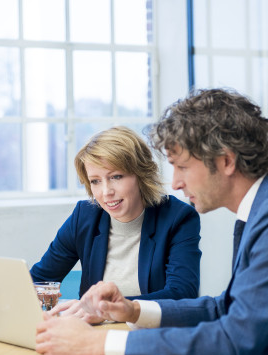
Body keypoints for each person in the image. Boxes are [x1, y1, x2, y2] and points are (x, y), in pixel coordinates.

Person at [35, 88, 268, 355]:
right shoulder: (256, 214)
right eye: (95, 181)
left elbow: (232, 340)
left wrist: (98, 344)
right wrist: (131, 309)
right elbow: (222, 307)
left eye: (182, 167)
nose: (175, 183)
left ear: (225, 161)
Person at [30, 126, 201, 322]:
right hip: (91, 335)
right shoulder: (84, 216)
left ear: (141, 174)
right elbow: (39, 280)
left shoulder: (178, 218)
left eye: (116, 177)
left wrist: (107, 310)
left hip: (151, 337)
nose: (106, 192)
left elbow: (182, 295)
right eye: (95, 181)